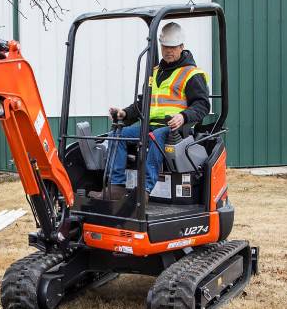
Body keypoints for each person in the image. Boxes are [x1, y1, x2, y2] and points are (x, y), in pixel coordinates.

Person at [90, 22, 210, 201]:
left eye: (173, 47)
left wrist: (183, 117)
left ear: (182, 47)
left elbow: (202, 105)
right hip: (150, 126)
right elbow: (143, 104)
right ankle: (116, 186)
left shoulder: (192, 74)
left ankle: (144, 190)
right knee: (118, 133)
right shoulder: (154, 72)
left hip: (175, 129)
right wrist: (124, 113)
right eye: (165, 46)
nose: (168, 51)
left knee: (155, 137)